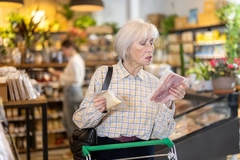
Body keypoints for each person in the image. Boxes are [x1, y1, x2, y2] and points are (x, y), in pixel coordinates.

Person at [73, 19, 187, 160]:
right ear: (126, 47)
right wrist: (99, 109)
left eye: (152, 42)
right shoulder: (103, 75)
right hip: (107, 151)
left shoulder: (154, 83)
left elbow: (161, 133)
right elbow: (80, 121)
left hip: (143, 153)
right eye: (143, 43)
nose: (151, 48)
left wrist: (168, 102)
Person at [50, 39, 85, 158]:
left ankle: (75, 151)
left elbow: (75, 79)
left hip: (72, 92)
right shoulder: (77, 59)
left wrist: (61, 75)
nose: (63, 52)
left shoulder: (74, 61)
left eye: (63, 49)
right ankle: (74, 149)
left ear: (69, 47)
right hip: (74, 92)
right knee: (69, 121)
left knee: (70, 123)